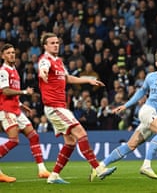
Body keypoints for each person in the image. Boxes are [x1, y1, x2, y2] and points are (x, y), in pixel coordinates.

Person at [96, 50, 157, 179]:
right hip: (147, 111)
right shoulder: (151, 77)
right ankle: (146, 166)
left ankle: (100, 166)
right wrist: (126, 105)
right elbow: (141, 92)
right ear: (156, 63)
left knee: (130, 145)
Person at [38, 33, 117, 184]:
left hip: (60, 106)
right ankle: (98, 168)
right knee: (81, 132)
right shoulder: (45, 60)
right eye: (52, 43)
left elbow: (68, 79)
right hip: (54, 107)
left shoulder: (59, 62)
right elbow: (43, 69)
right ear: (45, 46)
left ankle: (53, 176)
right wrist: (43, 73)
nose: (56, 45)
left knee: (70, 142)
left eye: (57, 42)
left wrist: (88, 80)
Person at [0, 43, 51, 180]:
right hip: (6, 110)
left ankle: (42, 170)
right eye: (8, 53)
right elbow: (5, 91)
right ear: (2, 55)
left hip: (16, 109)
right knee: (14, 140)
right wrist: (24, 92)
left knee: (34, 136)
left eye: (13, 52)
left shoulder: (15, 70)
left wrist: (21, 104)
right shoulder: (3, 71)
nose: (12, 55)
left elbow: (11, 93)